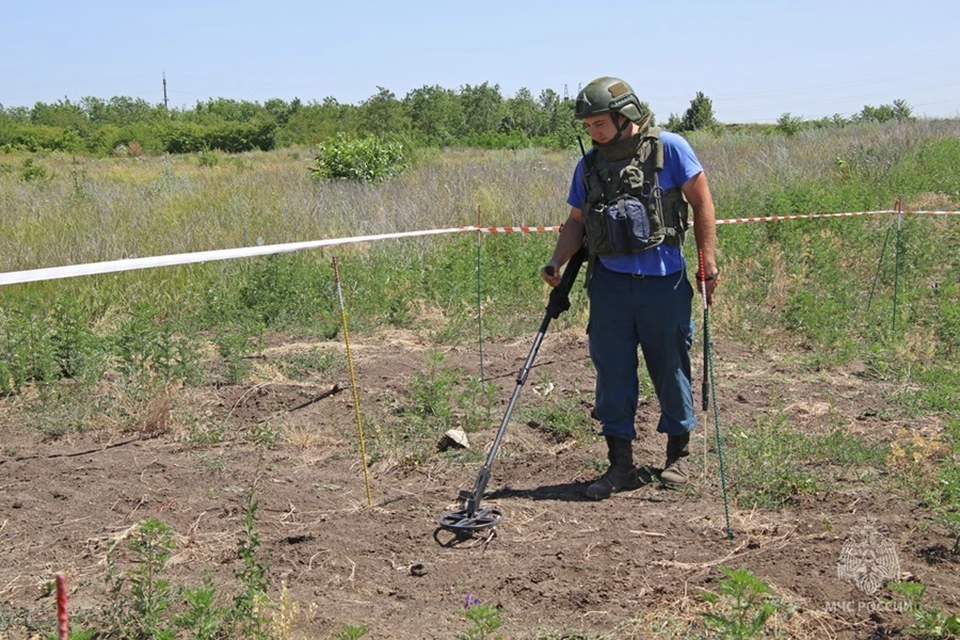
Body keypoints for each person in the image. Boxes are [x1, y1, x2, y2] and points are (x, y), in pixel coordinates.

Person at [541, 76, 719, 500]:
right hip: (610, 287)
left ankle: (679, 455)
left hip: (665, 285)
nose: (593, 132)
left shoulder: (669, 149)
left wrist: (707, 259)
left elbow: (702, 201)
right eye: (587, 126)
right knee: (613, 374)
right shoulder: (588, 166)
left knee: (670, 367)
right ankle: (620, 464)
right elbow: (577, 222)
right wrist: (556, 260)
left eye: (599, 123)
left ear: (627, 117)